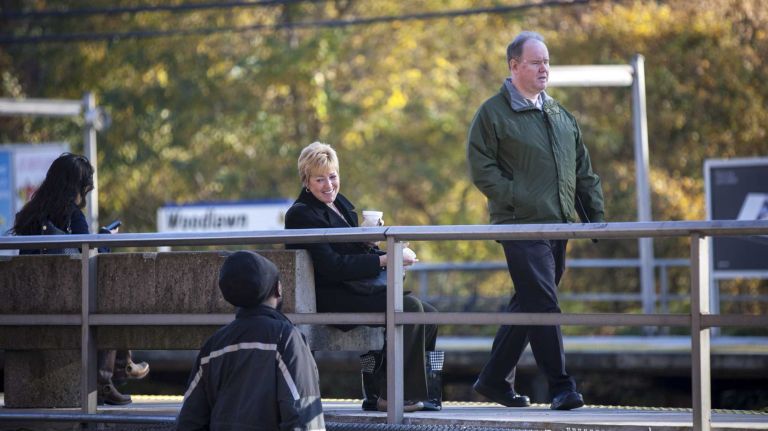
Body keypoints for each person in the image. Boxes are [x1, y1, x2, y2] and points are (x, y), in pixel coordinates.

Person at [466, 31, 605, 411]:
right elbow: (482, 169)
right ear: (514, 66)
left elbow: (583, 171)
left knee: (529, 302)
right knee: (544, 302)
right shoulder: (493, 113)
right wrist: (517, 198)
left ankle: (494, 379)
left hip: (558, 224)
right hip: (520, 226)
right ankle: (561, 386)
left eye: (547, 62)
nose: (544, 68)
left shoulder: (560, 115)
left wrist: (596, 218)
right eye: (535, 62)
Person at [284, 141, 442, 412]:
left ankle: (388, 390)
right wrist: (384, 259)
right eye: (320, 179)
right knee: (410, 308)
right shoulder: (301, 214)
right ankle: (393, 396)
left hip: (354, 287)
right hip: (330, 294)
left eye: (332, 177)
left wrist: (369, 241)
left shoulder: (341, 206)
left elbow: (348, 251)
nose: (329, 185)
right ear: (306, 181)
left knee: (429, 313)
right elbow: (332, 266)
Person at [9, 152, 149, 405]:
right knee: (111, 302)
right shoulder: (72, 216)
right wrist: (105, 239)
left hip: (27, 303)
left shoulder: (30, 215)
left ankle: (120, 366)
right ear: (80, 187)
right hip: (67, 305)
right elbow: (87, 259)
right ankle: (111, 374)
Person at [176, 250, 325, 431]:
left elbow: (189, 421)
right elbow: (304, 418)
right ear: (278, 289)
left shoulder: (213, 346)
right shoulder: (286, 339)